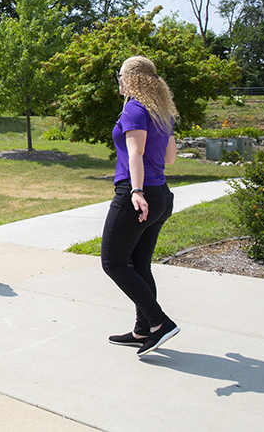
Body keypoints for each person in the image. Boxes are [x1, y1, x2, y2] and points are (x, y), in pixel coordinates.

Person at [101, 56, 180, 358]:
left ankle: (159, 322)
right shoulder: (161, 112)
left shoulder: (134, 108)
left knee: (113, 262)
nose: (118, 81)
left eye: (120, 76)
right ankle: (142, 329)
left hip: (138, 194)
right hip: (161, 195)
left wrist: (136, 191)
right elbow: (170, 157)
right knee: (138, 265)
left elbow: (135, 153)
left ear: (132, 79)